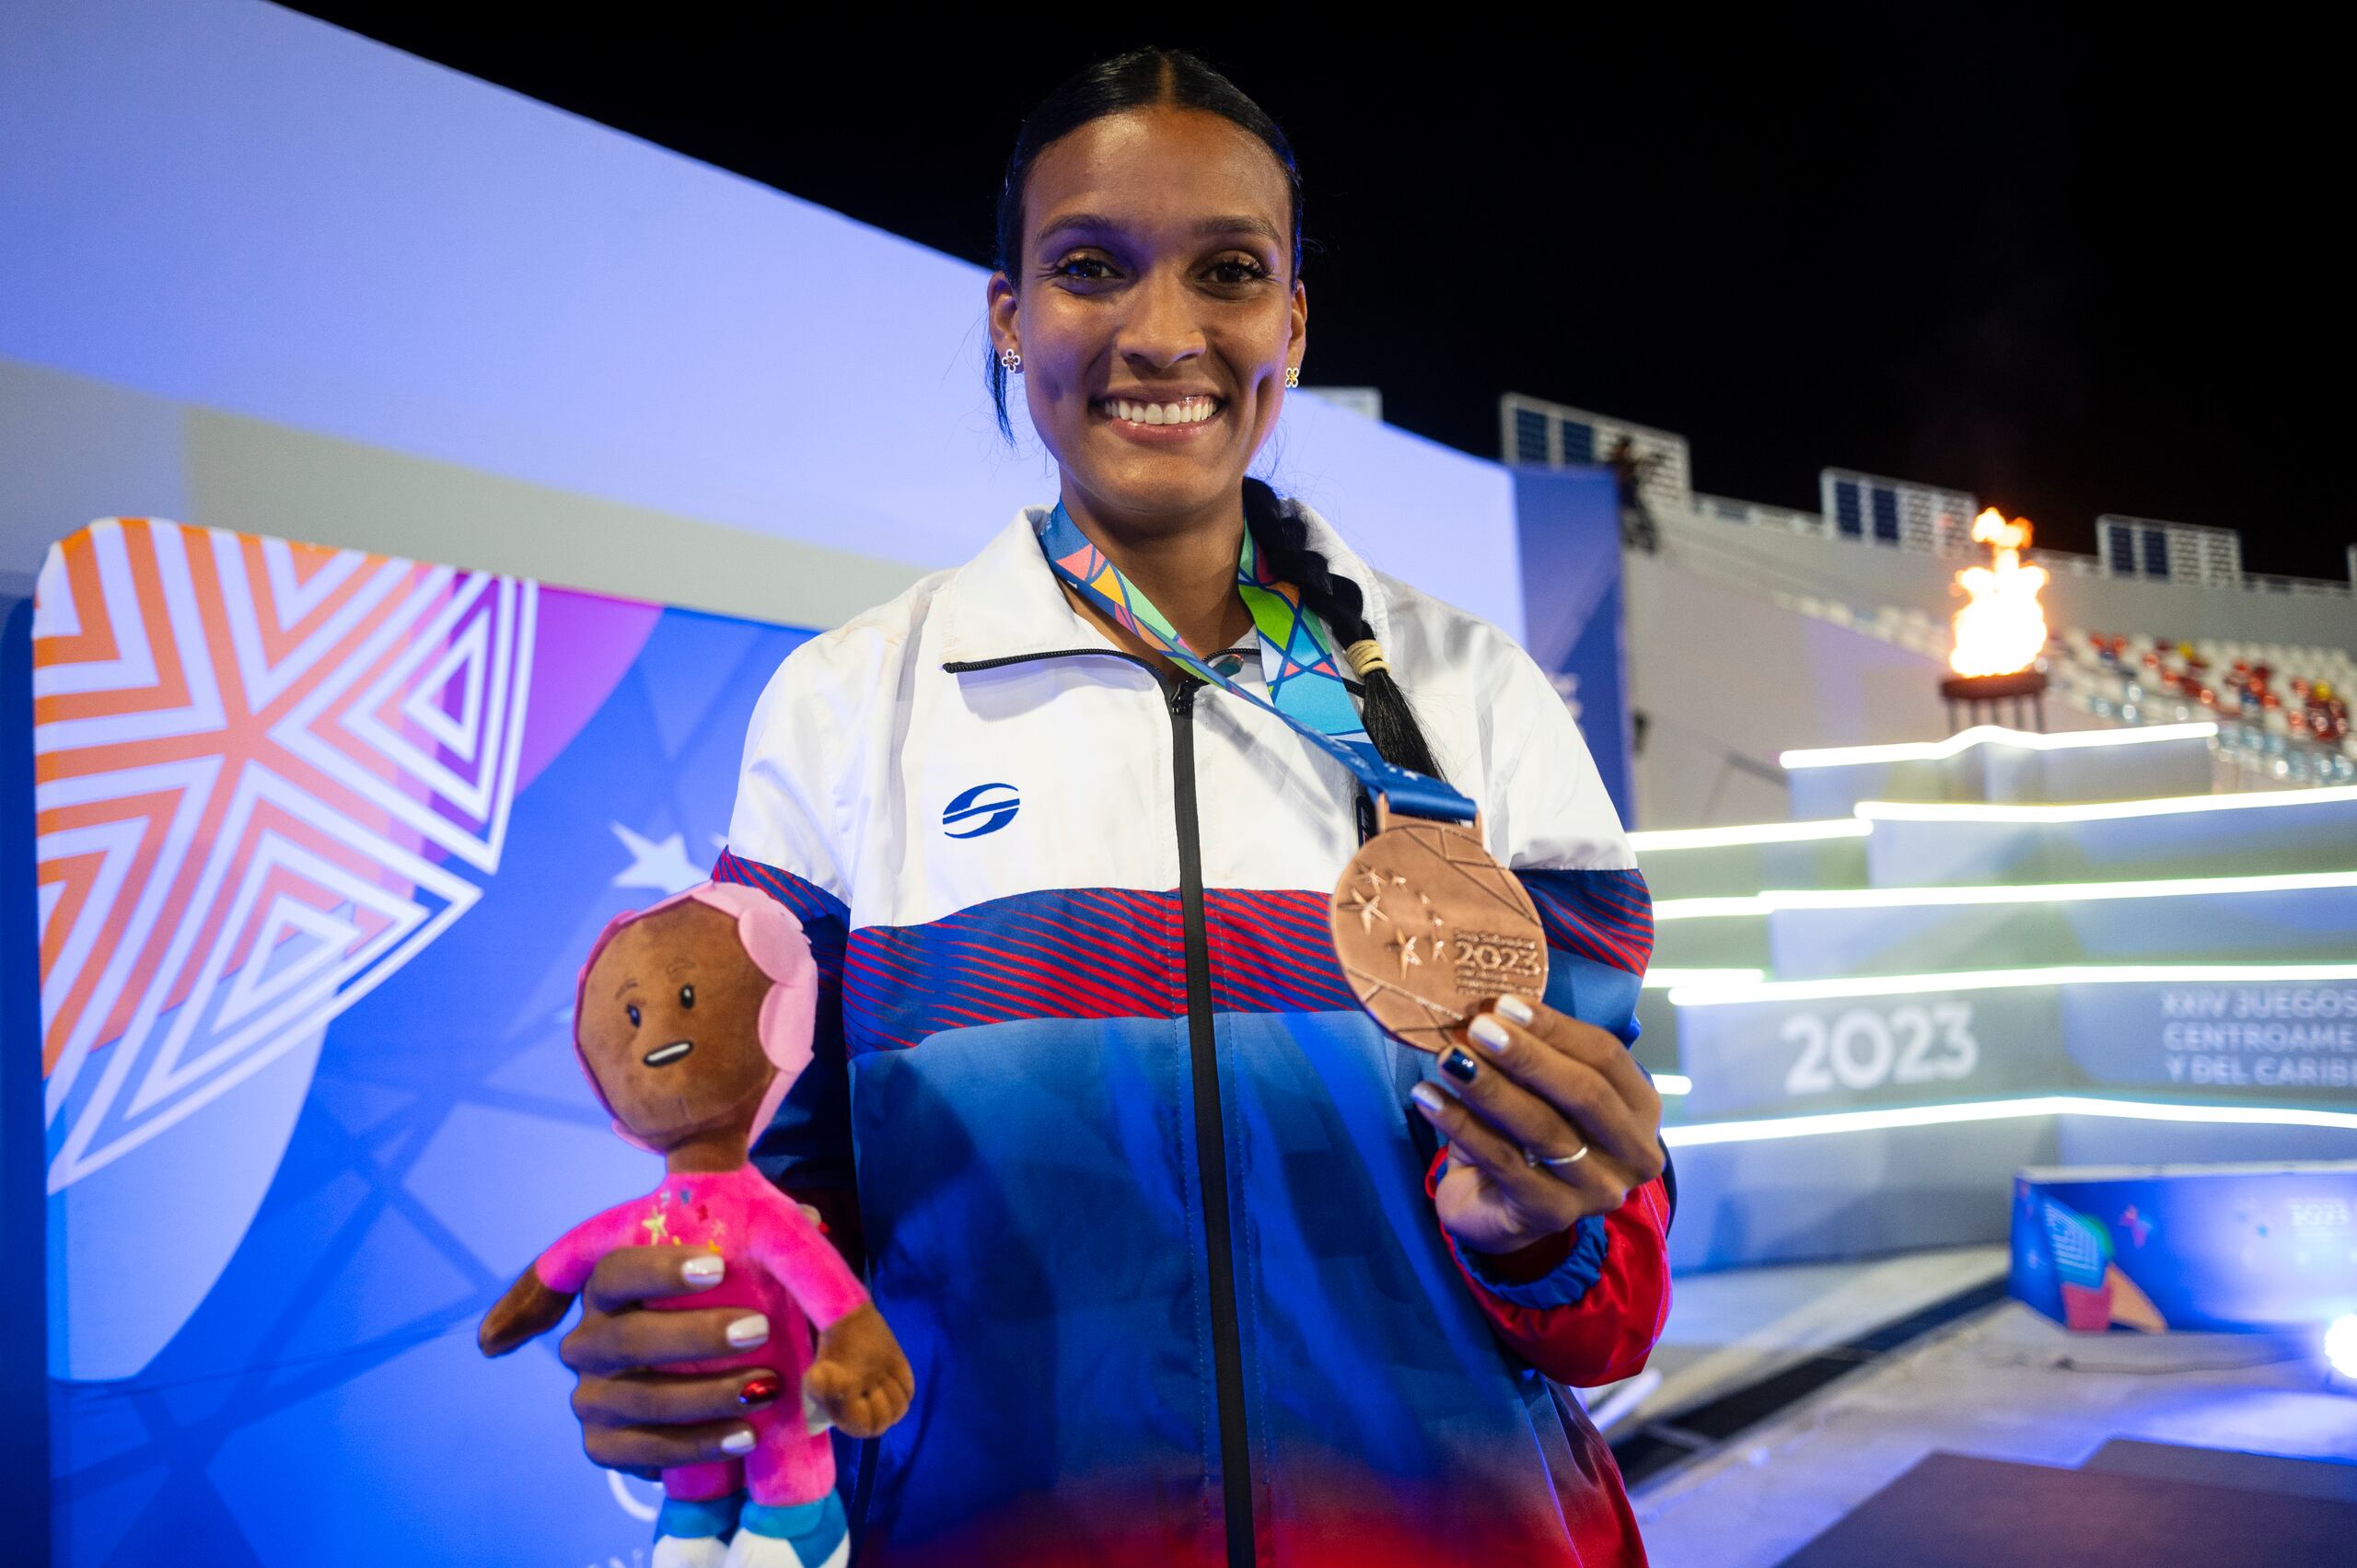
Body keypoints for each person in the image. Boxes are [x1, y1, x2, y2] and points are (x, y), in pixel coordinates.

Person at [551, 49, 1671, 1568]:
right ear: (1011, 315)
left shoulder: (1477, 700)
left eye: (1229, 270)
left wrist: (1549, 1227)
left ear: (1291, 320)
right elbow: (780, 1221)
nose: (1164, 333)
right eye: (1090, 267)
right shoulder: (848, 707)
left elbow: (1611, 1307)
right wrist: (693, 1360)